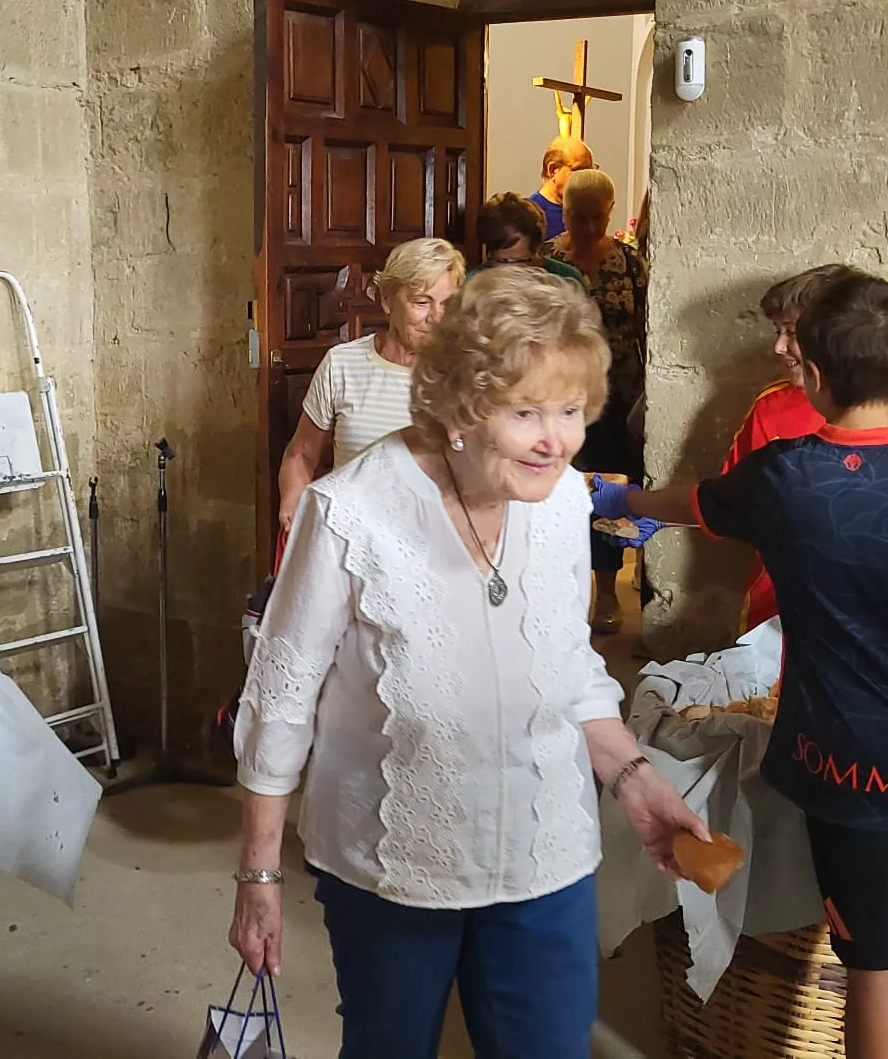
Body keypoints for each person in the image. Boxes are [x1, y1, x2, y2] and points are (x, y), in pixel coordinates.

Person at [228, 267, 709, 1059]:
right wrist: (258, 876)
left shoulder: (559, 501)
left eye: (570, 410)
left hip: (544, 853)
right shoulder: (350, 513)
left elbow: (568, 666)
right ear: (458, 400)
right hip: (395, 864)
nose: (557, 439)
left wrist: (635, 778)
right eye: (526, 412)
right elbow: (280, 701)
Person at [599, 272, 888, 1059]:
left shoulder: (781, 473)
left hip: (842, 769)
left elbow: (697, 501)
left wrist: (621, 503)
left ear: (812, 374)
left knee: (878, 967)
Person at [725, 263, 888, 631]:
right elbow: (728, 503)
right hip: (780, 619)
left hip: (885, 619)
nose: (778, 347)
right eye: (778, 331)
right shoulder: (770, 407)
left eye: (791, 333)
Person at [275, 237, 465, 535]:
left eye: (448, 304)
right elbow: (301, 454)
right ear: (387, 300)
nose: (436, 318)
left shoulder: (468, 376)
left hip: (435, 542)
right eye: (422, 302)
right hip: (350, 538)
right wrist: (293, 504)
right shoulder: (342, 365)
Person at [540, 169, 650, 632]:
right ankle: (555, 594)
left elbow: (648, 329)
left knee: (605, 495)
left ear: (609, 212)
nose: (586, 229)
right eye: (575, 217)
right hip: (555, 396)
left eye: (595, 219)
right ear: (563, 211)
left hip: (613, 400)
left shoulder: (628, 264)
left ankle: (606, 594)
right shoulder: (546, 259)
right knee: (552, 490)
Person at [470, 192, 586, 288]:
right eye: (501, 262)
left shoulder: (569, 282)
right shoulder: (472, 284)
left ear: (536, 251)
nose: (508, 271)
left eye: (518, 262)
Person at [531, 135, 595, 240]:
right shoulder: (532, 216)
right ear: (553, 170)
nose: (587, 178)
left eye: (590, 171)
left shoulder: (587, 210)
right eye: (580, 170)